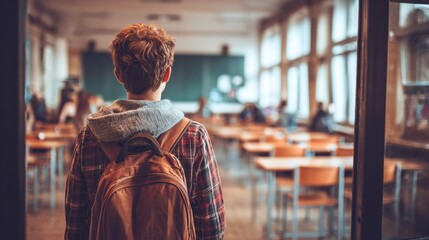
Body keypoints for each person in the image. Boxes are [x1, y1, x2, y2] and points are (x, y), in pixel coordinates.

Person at [65, 23, 225, 239]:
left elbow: (76, 223)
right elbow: (211, 225)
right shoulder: (194, 136)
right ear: (167, 74)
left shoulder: (90, 136)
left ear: (118, 74)